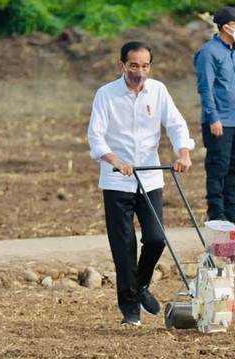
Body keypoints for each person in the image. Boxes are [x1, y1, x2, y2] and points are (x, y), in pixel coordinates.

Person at [87, 41, 194, 327]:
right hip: (116, 180)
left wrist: (183, 152)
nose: (139, 71)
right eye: (133, 65)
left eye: (145, 66)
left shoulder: (158, 91)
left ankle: (141, 284)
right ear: (122, 65)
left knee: (157, 238)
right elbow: (96, 138)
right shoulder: (106, 95)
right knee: (124, 247)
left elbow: (175, 124)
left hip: (149, 177)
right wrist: (115, 160)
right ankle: (130, 311)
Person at [194, 6, 235, 228]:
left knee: (234, 167)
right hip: (220, 121)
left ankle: (232, 212)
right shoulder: (208, 53)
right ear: (225, 26)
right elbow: (205, 88)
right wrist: (213, 118)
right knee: (218, 167)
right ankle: (216, 214)